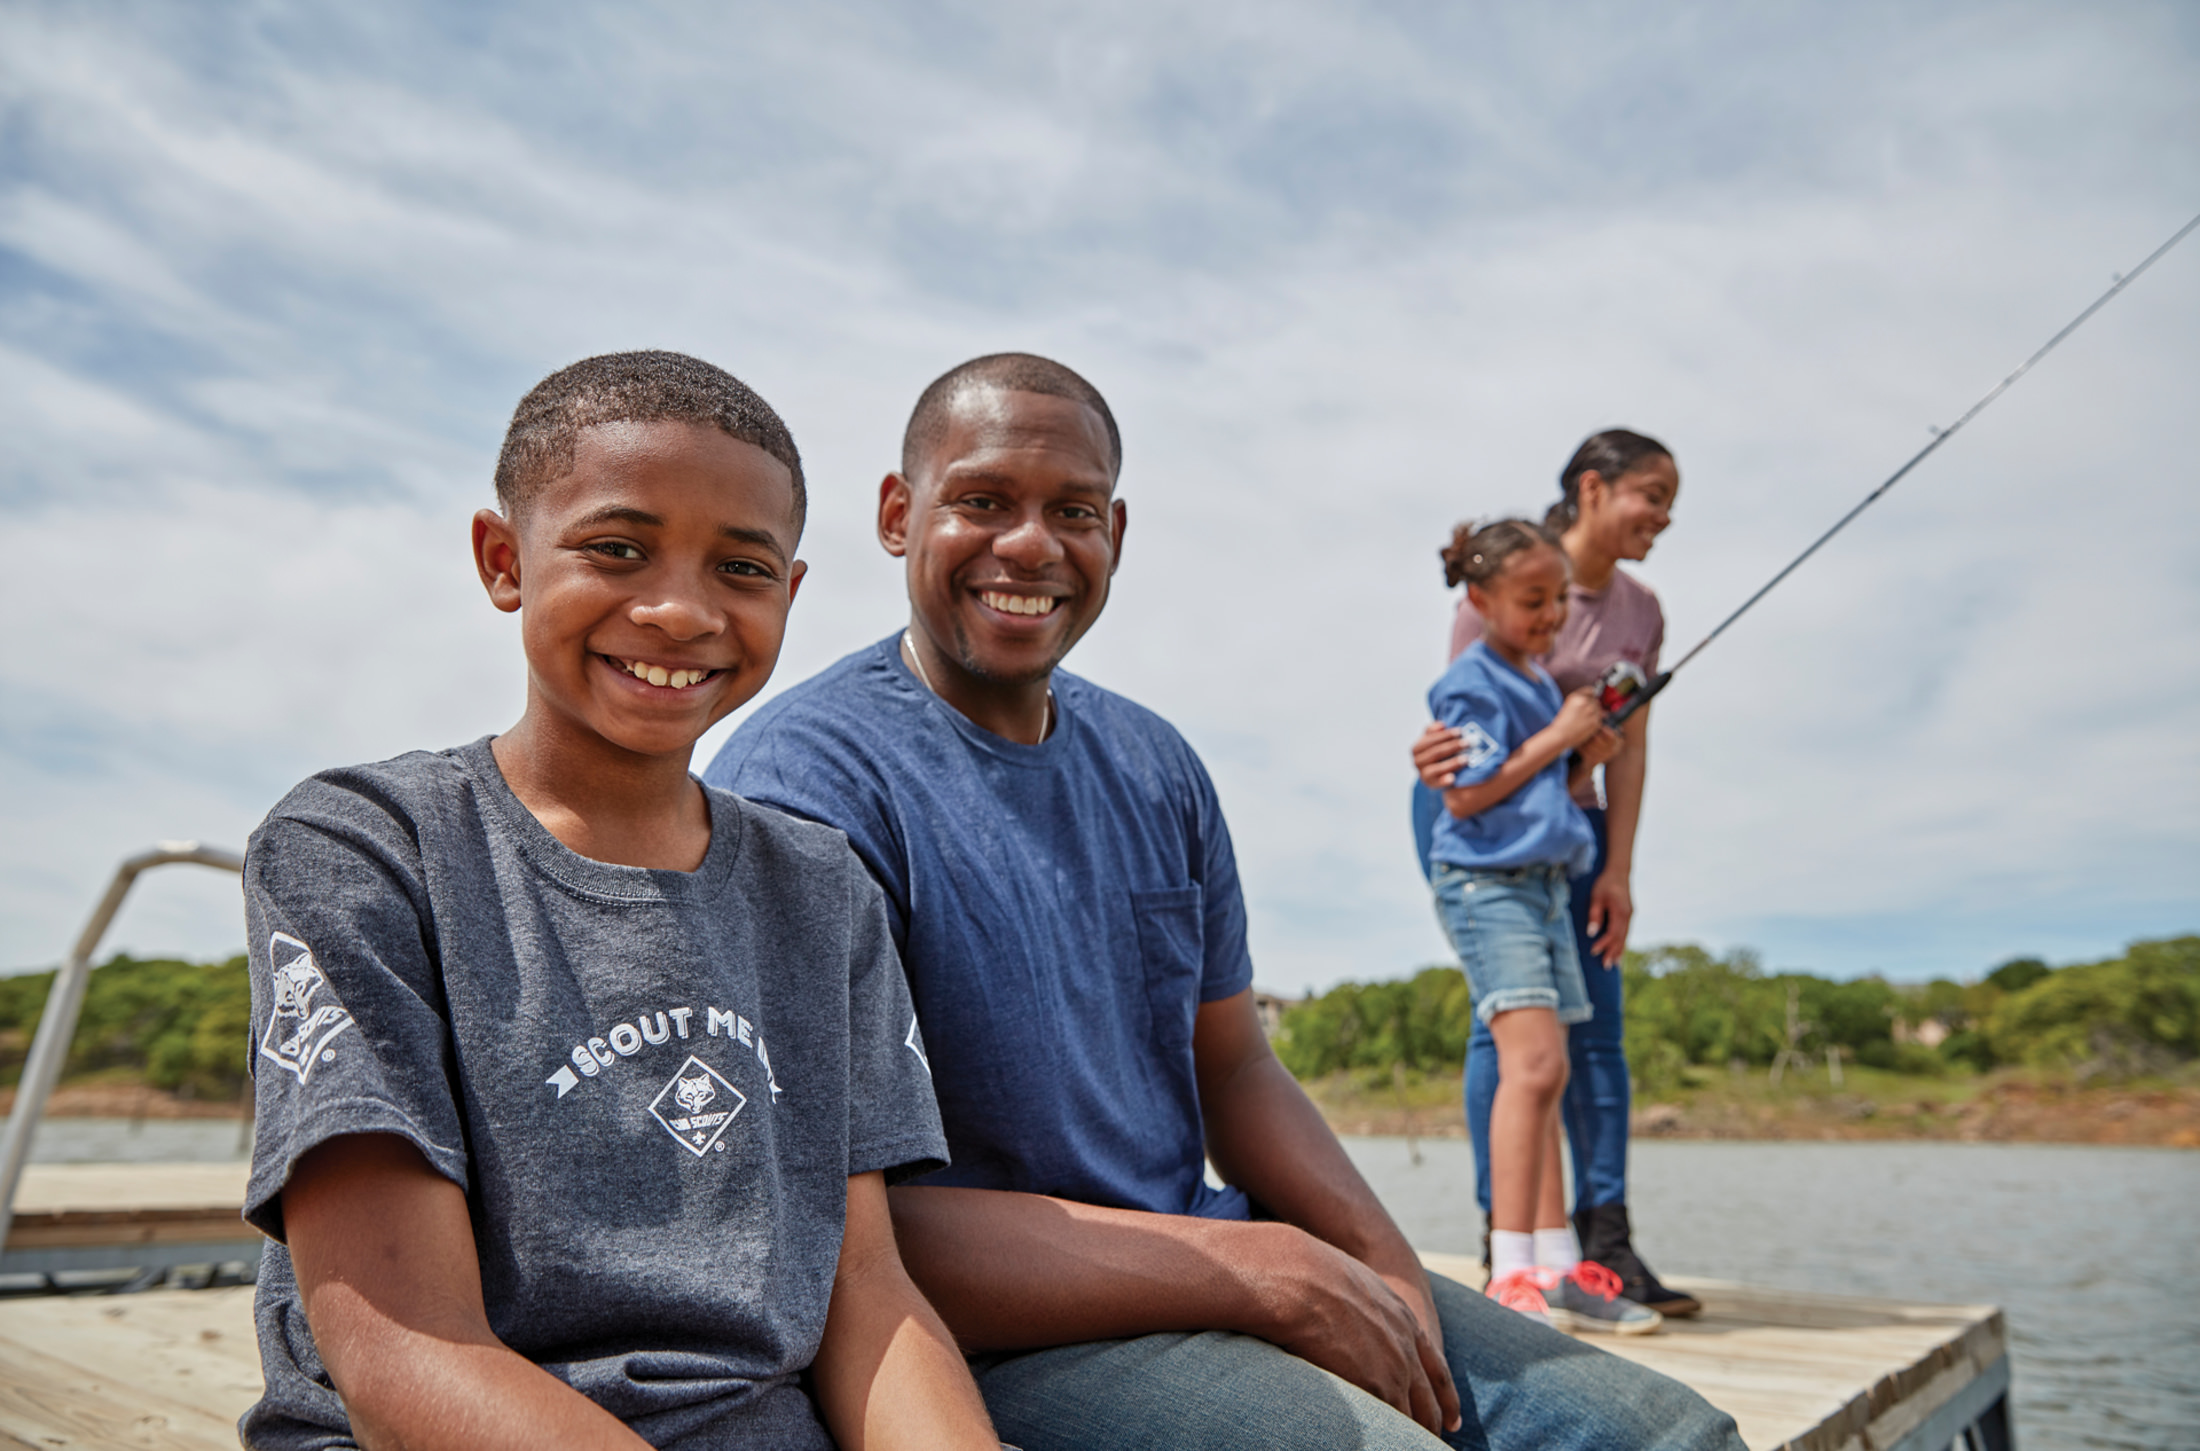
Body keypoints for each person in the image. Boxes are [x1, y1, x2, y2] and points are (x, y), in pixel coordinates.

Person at [708, 354, 1745, 1451]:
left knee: (1667, 1432)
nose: (1028, 544)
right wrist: (1257, 1270)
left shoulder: (1157, 763)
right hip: (1000, 1333)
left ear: (1115, 531)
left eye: (1072, 511)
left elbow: (1236, 1067)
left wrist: (1382, 1265)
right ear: (896, 513)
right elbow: (838, 1227)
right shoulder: (806, 780)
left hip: (1217, 1262)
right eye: (981, 500)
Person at [237, 352, 1000, 1451]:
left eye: (739, 567)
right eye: (615, 548)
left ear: (786, 595)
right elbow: (404, 1354)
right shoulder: (366, 847)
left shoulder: (823, 888)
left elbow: (868, 1296)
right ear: (504, 560)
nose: (679, 610)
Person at [1413, 428, 1696, 1318]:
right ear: (1593, 488)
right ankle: (1513, 1256)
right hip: (1491, 853)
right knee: (1519, 1051)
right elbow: (1467, 763)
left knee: (1572, 1049)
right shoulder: (1499, 618)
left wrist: (1609, 838)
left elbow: (1598, 755)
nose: (1663, 516)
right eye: (1651, 493)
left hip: (1559, 844)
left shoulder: (1626, 620)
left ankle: (1576, 1250)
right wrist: (1556, 742)